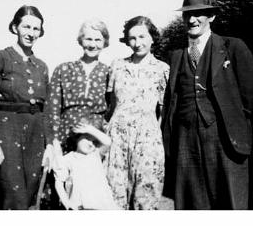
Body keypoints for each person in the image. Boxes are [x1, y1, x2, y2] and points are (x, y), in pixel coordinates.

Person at [161, 0, 253, 209]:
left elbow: (251, 96)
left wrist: (232, 124)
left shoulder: (232, 47)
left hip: (225, 139)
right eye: (188, 14)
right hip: (186, 142)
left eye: (199, 13)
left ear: (212, 16)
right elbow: (171, 101)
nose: (193, 19)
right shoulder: (177, 56)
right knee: (192, 207)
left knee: (231, 204)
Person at [0, 5, 51, 210]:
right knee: (11, 194)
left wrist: (48, 145)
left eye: (36, 29)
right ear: (15, 27)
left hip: (35, 135)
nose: (30, 33)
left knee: (29, 194)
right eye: (26, 27)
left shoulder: (41, 66)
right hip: (7, 132)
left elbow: (45, 108)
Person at [42, 19, 110, 209]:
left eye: (98, 39)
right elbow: (52, 109)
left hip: (93, 142)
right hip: (65, 138)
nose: (93, 44)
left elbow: (111, 110)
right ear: (80, 41)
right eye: (88, 39)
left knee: (91, 192)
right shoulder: (64, 69)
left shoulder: (109, 72)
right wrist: (54, 143)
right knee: (61, 189)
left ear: (105, 42)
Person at [105, 16, 169, 210]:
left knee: (146, 199)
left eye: (142, 37)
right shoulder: (117, 66)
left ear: (152, 38)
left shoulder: (162, 69)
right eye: (132, 38)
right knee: (114, 196)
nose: (137, 43)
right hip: (117, 139)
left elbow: (163, 109)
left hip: (148, 141)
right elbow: (110, 103)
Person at [53, 119, 119, 210]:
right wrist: (67, 204)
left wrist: (90, 129)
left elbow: (108, 142)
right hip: (81, 206)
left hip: (102, 205)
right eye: (87, 138)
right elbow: (59, 183)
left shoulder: (95, 155)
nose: (90, 144)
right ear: (77, 137)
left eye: (94, 142)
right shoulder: (68, 159)